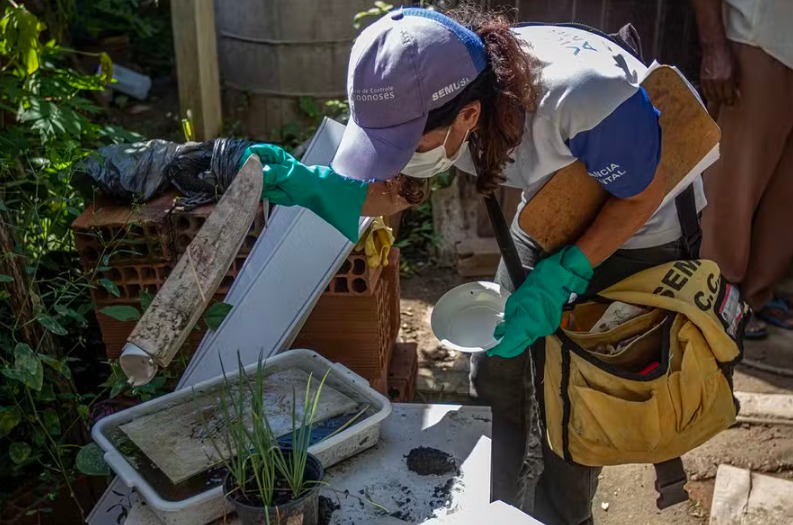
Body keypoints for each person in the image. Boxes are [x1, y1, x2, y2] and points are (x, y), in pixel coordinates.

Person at [245, 5, 705, 524]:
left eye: (405, 145)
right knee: (497, 367)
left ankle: (566, 514)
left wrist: (564, 274)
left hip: (641, 228)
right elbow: (398, 188)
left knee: (578, 400)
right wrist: (316, 187)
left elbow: (640, 196)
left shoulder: (583, 93)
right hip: (556, 206)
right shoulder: (457, 84)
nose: (396, 159)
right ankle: (496, 502)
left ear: (468, 116)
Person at [693, 0, 793, 340]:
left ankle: (756, 295)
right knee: (733, 183)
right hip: (758, 42)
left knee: (786, 196)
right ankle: (715, 294)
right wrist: (714, 45)